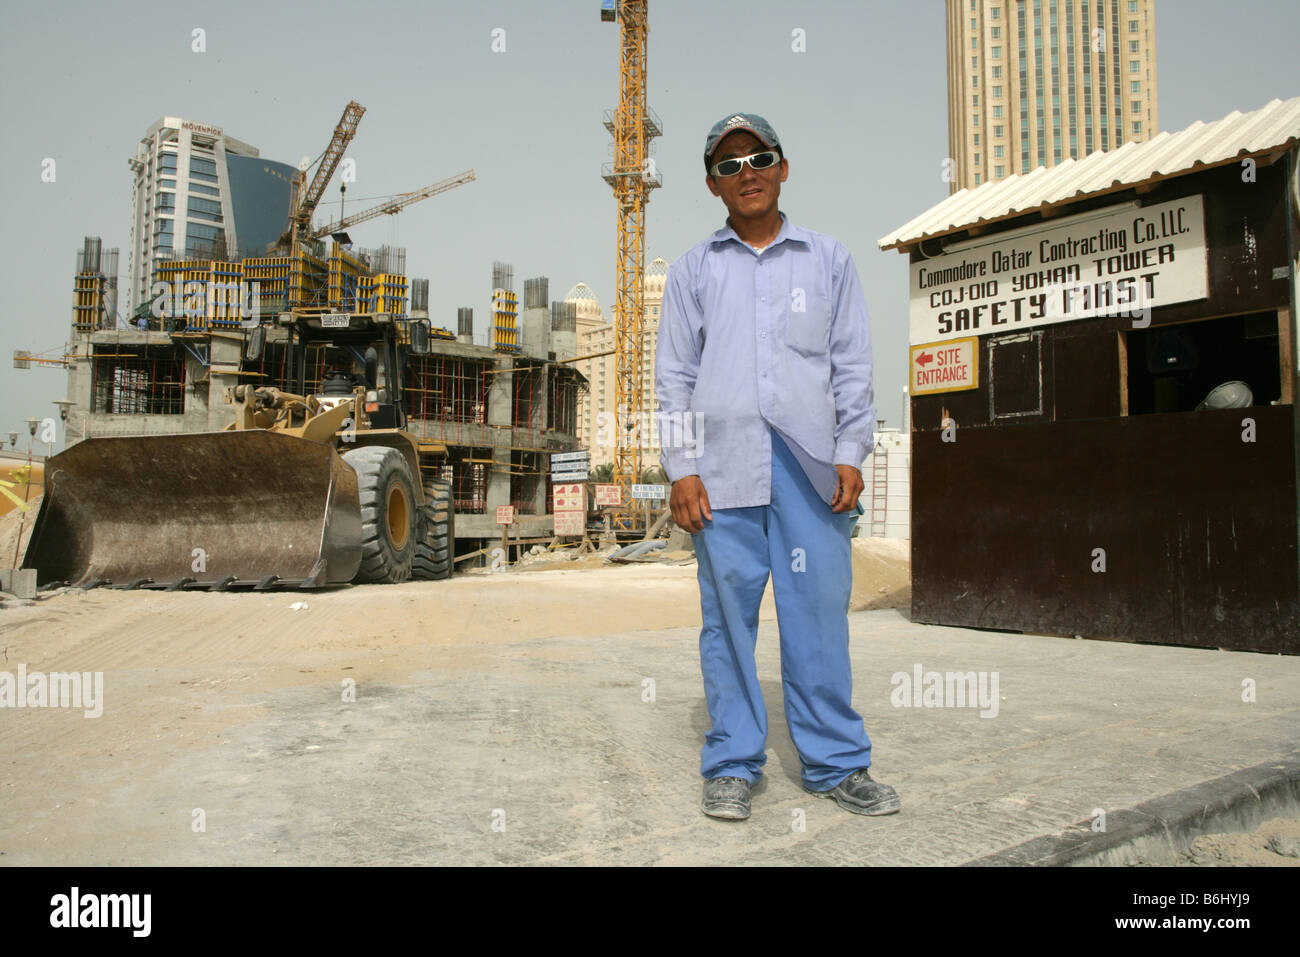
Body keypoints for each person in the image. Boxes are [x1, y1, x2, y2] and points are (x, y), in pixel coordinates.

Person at [655, 112, 900, 821]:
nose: (746, 173)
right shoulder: (695, 272)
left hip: (811, 471)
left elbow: (852, 366)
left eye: (758, 157)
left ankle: (835, 762)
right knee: (728, 620)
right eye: (728, 165)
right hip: (720, 474)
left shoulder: (829, 260)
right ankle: (733, 762)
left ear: (783, 167)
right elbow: (674, 376)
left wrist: (851, 452)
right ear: (711, 185)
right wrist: (681, 468)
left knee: (817, 616)